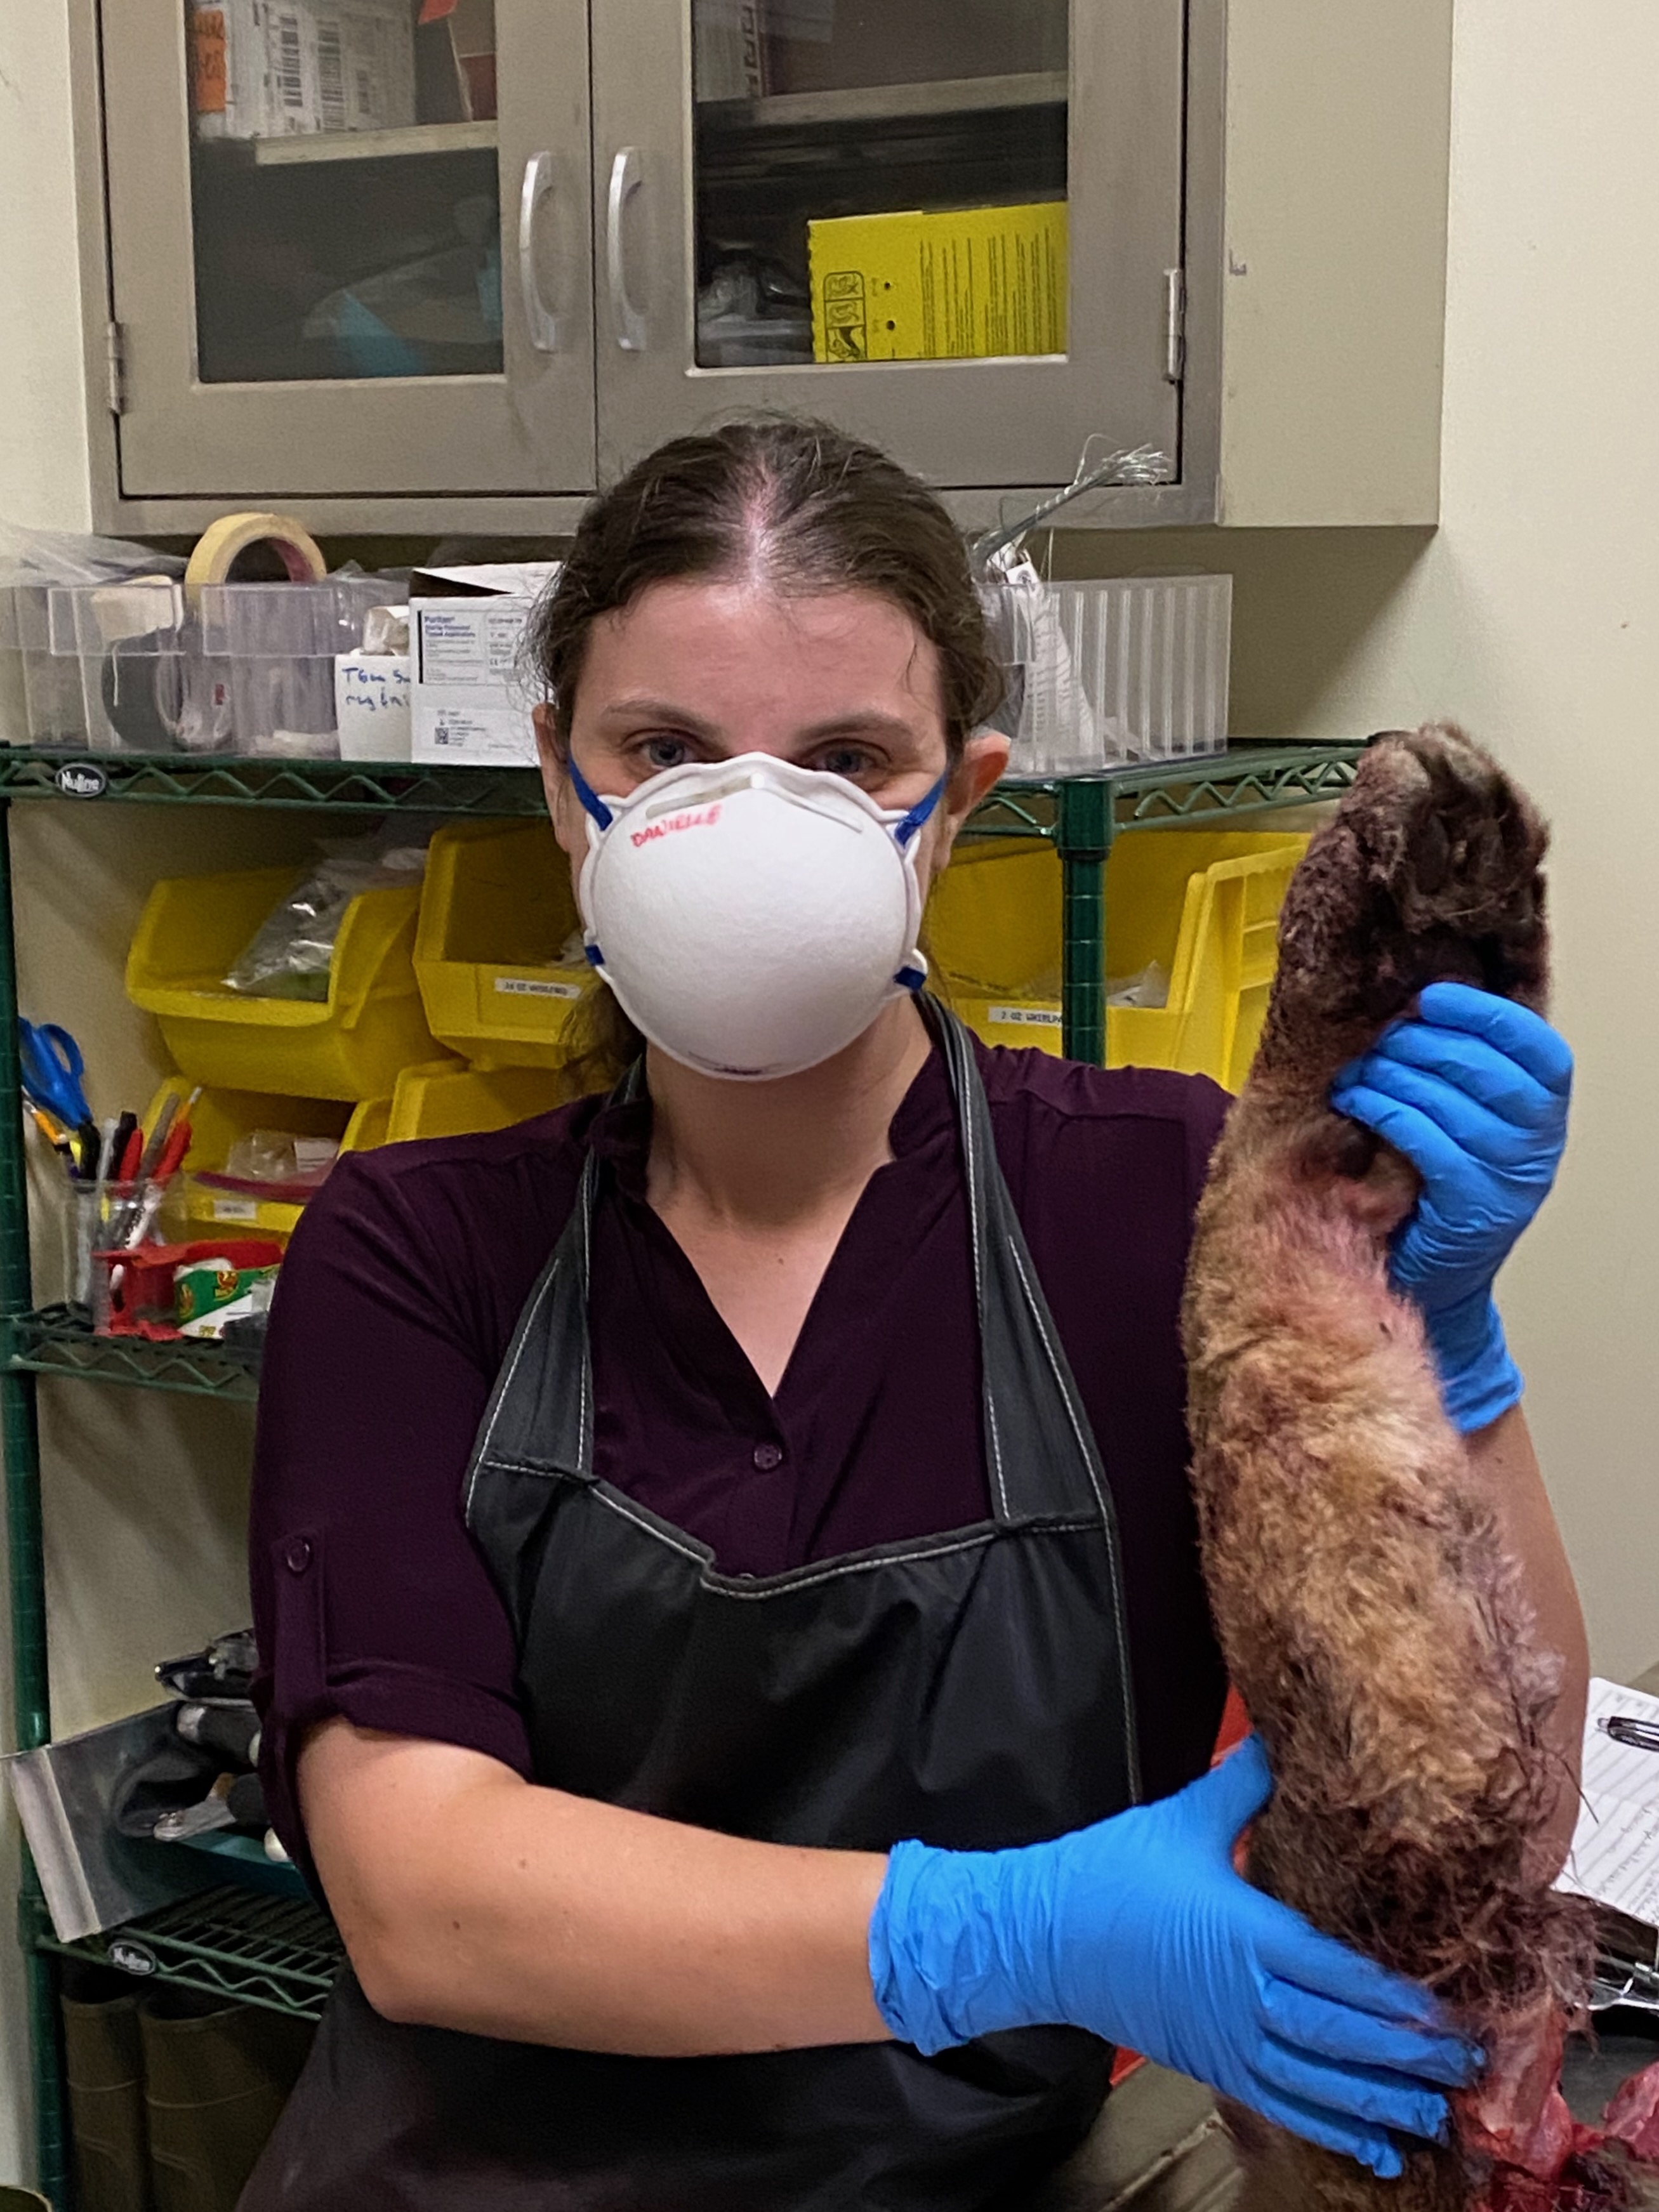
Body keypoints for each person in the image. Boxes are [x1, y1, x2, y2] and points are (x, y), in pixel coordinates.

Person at [242, 419, 1581, 2210]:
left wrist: (1445, 1358)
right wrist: (1002, 1934)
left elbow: (1483, 1819)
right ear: (563, 785)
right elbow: (424, 1898)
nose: (748, 827)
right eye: (667, 751)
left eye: (848, 756)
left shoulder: (1155, 1205)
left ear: (956, 801)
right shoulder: (418, 1253)